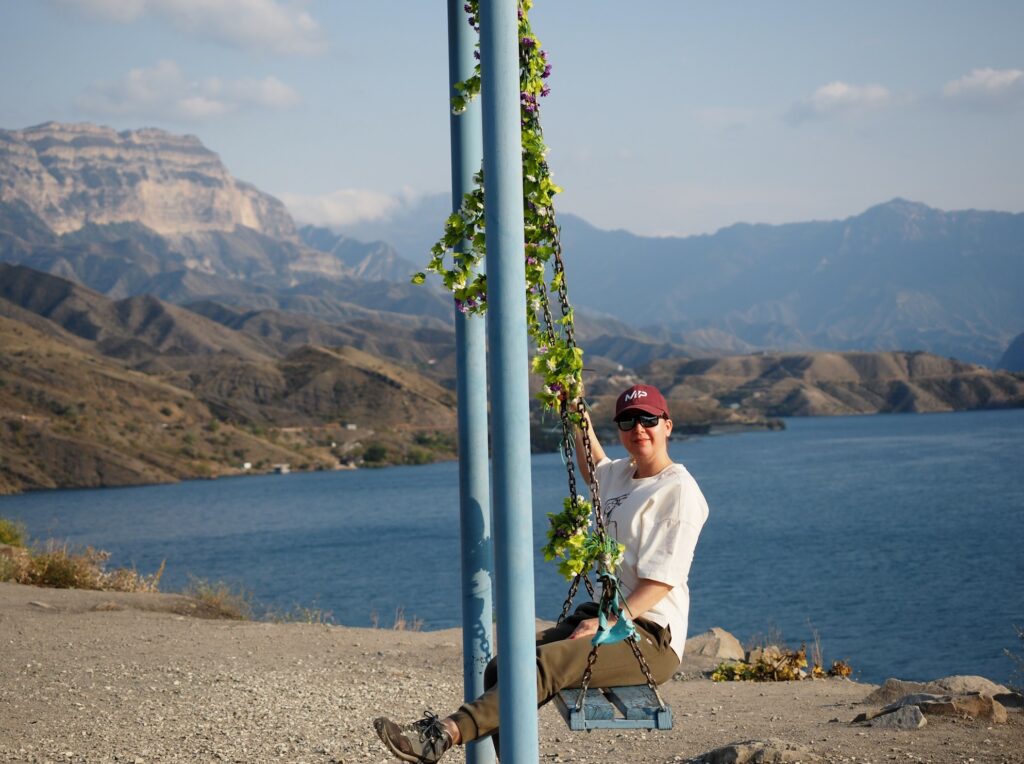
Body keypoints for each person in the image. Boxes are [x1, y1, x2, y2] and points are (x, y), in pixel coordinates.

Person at [373, 383, 709, 763]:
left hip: (649, 636)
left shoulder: (677, 490)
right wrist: (573, 406)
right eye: (628, 421)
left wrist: (610, 623)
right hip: (607, 618)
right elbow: (592, 461)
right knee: (504, 665)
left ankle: (440, 737)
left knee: (541, 666)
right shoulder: (622, 475)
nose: (638, 429)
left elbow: (661, 580)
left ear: (668, 425)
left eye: (648, 419)